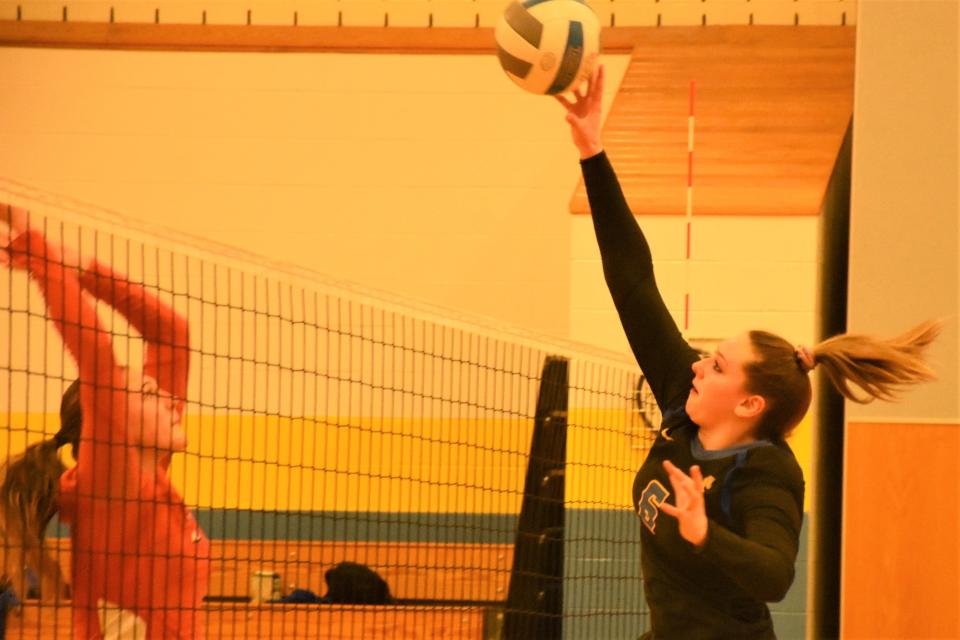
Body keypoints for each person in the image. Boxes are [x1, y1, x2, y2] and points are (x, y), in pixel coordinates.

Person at [557, 66, 940, 639]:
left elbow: (773, 574)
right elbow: (633, 282)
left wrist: (704, 532)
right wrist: (593, 152)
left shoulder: (766, 473)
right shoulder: (680, 399)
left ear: (748, 404)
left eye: (717, 365)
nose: (696, 365)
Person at [1, 204, 210, 639]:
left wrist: (77, 263)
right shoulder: (113, 485)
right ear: (113, 420)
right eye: (151, 394)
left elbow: (172, 333)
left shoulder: (150, 478)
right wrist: (38, 253)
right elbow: (93, 348)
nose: (172, 401)